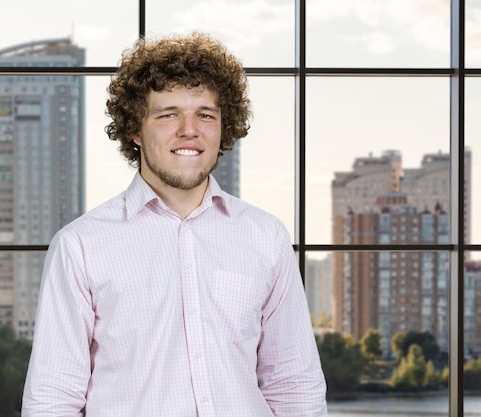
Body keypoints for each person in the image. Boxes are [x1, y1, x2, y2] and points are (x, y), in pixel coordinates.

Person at [21, 32, 328, 417]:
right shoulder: (80, 245)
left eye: (205, 114)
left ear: (223, 127)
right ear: (135, 129)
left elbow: (295, 384)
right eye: (168, 114)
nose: (189, 129)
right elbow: (53, 398)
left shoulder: (266, 237)